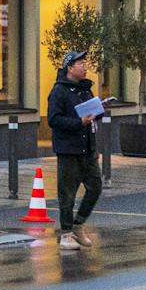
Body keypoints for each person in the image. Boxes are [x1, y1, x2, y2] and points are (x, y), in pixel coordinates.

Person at [47, 49, 107, 252]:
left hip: (88, 148)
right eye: (81, 63)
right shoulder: (59, 91)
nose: (85, 66)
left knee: (95, 187)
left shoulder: (85, 89)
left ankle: (78, 224)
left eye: (85, 63)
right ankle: (65, 234)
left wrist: (97, 112)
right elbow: (53, 120)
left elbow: (89, 113)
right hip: (69, 149)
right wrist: (78, 122)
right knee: (68, 194)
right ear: (70, 68)